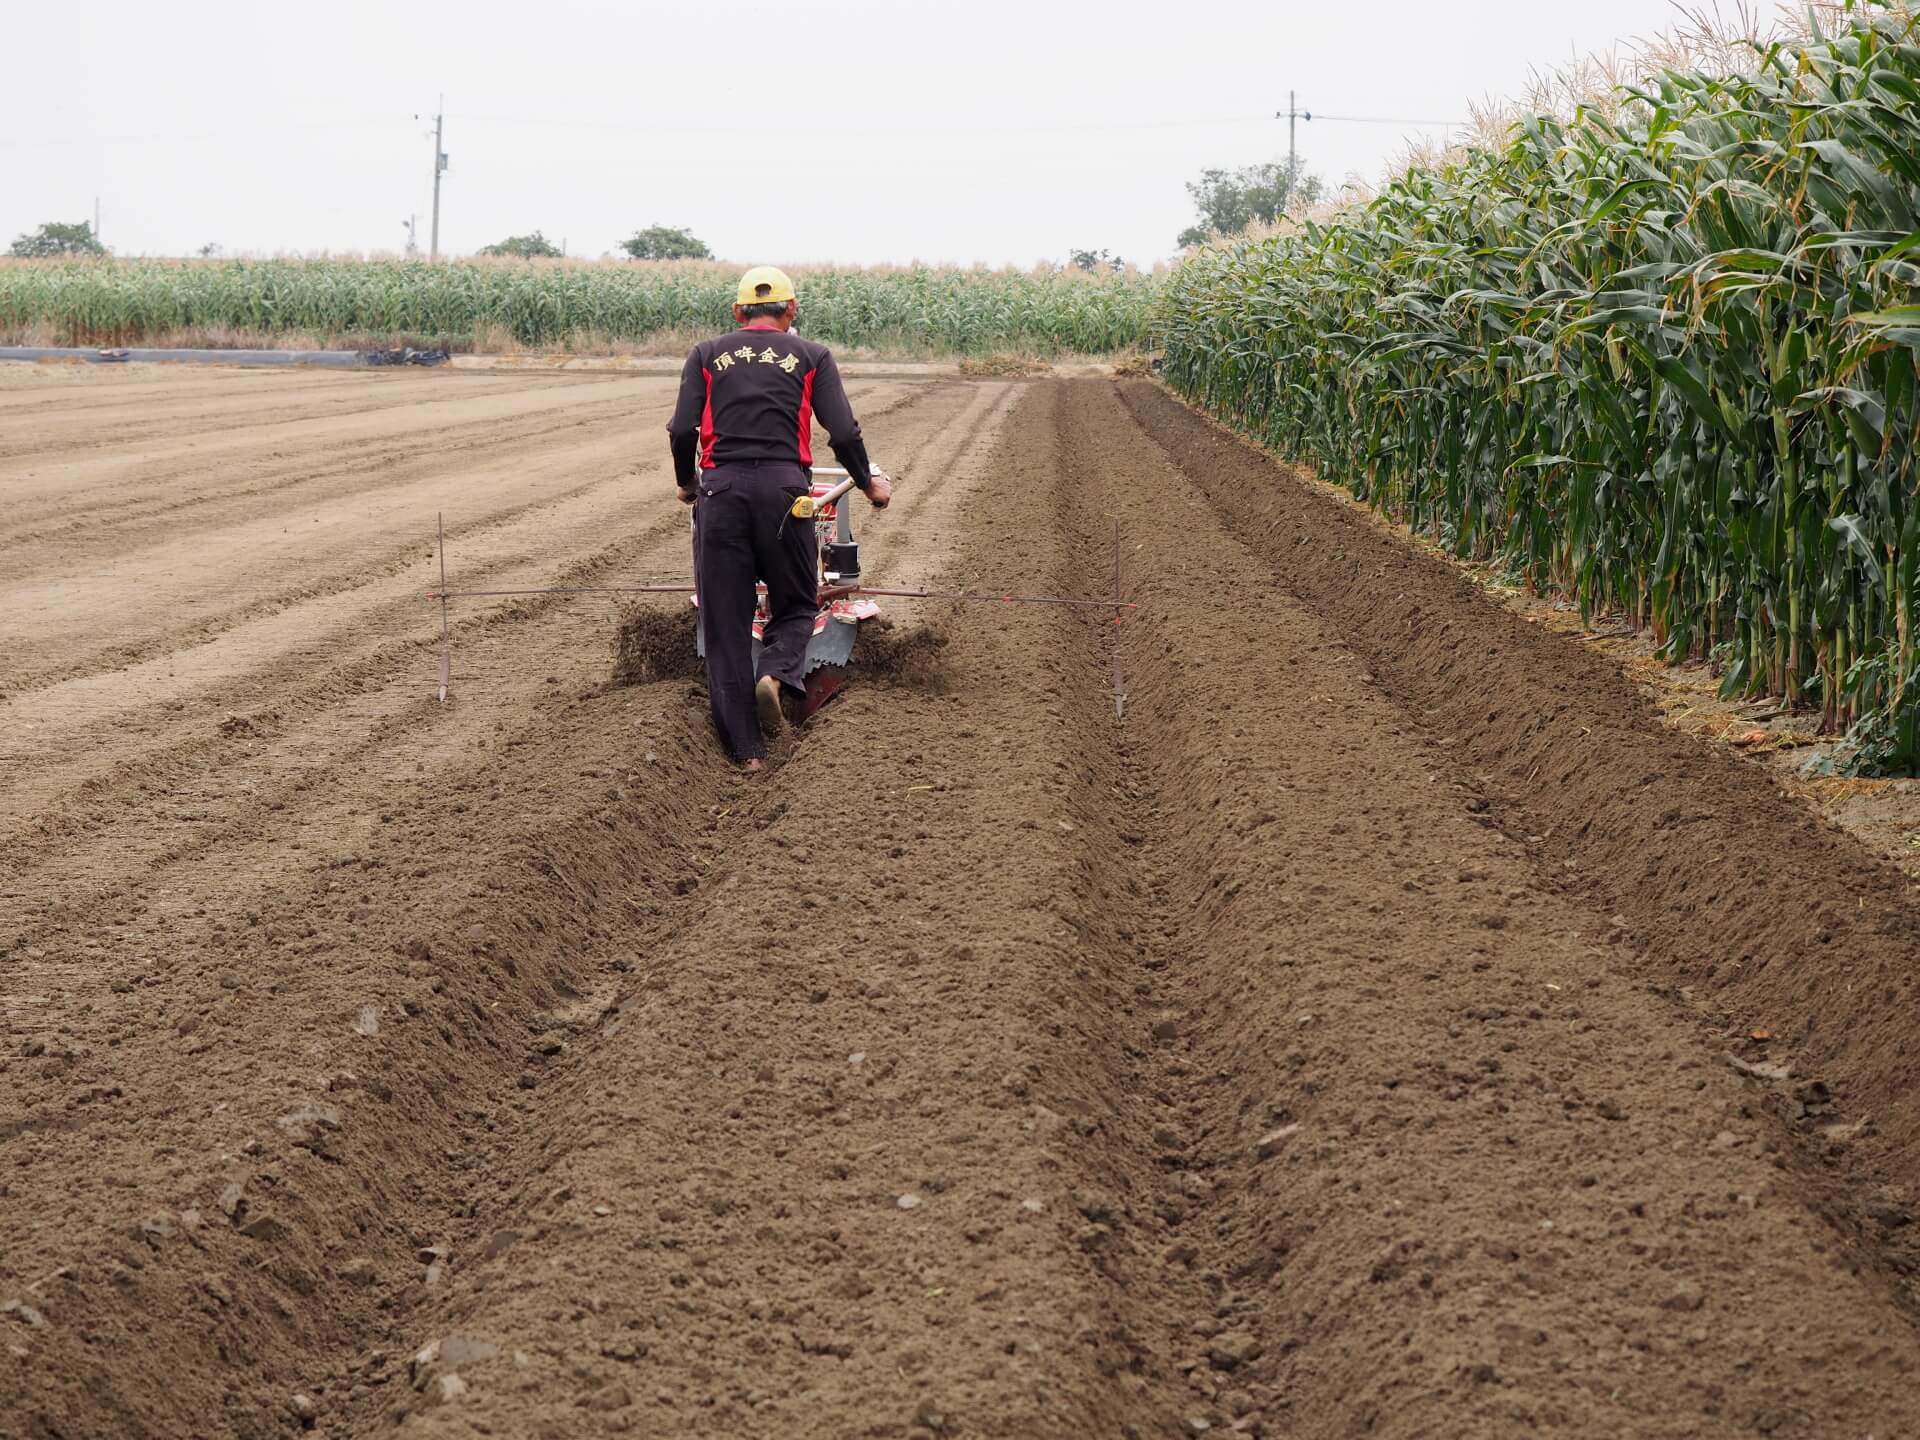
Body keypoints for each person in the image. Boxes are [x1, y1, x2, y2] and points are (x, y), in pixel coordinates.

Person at [667, 266, 893, 769]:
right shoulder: (812, 356)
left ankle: (748, 755)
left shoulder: (706, 355)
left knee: (725, 627)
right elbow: (843, 431)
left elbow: (683, 428)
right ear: (791, 311)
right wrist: (869, 481)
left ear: (736, 312)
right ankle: (774, 673)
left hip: (720, 494)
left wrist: (688, 483)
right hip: (785, 495)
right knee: (795, 606)